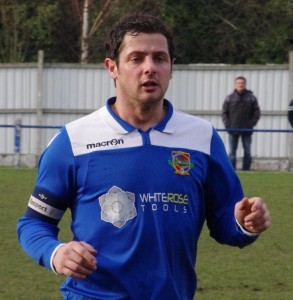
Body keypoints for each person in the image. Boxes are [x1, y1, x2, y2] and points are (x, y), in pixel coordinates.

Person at [17, 14, 271, 300]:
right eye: (136, 58)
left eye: (160, 58)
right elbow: (34, 223)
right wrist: (56, 252)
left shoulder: (202, 138)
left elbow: (227, 221)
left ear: (171, 68)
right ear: (112, 68)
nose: (150, 68)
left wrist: (244, 223)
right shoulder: (74, 140)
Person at [221, 76, 261, 170]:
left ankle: (247, 170)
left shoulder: (251, 98)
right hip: (233, 129)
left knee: (247, 151)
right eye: (239, 83)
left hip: (247, 129)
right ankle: (231, 170)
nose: (240, 85)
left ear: (245, 84)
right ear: (235, 84)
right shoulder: (229, 98)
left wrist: (251, 124)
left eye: (242, 83)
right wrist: (228, 125)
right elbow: (224, 113)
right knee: (232, 152)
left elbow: (257, 112)